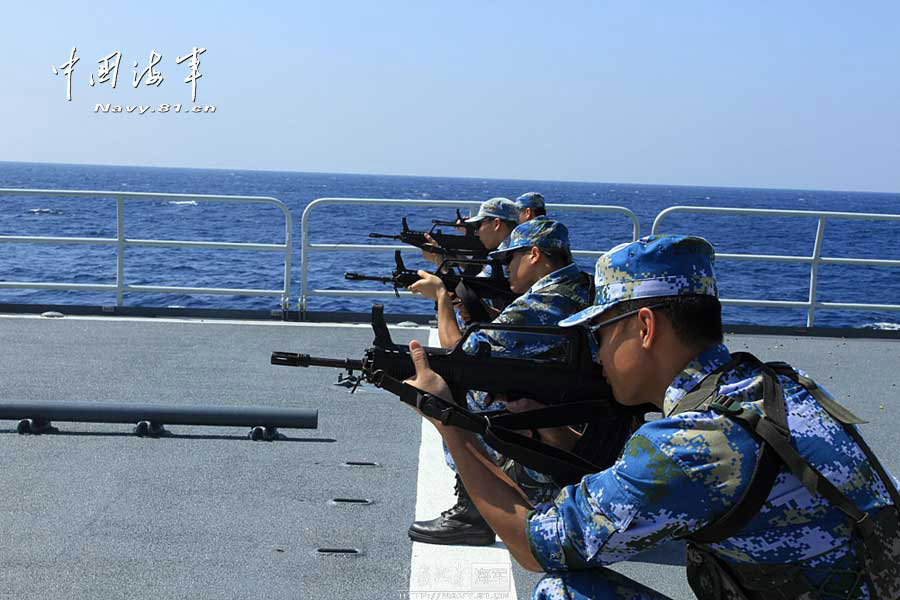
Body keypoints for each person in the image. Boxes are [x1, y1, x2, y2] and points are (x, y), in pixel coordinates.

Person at [402, 234, 900, 599]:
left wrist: (450, 421)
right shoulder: (769, 385)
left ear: (644, 327)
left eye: (600, 333)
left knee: (563, 593)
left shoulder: (694, 441)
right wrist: (562, 445)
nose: (596, 353)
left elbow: (537, 546)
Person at [406, 219, 615, 546]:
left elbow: (461, 350)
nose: (506, 269)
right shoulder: (581, 286)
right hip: (587, 428)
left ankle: (474, 511)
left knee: (453, 390)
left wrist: (441, 300)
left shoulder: (543, 302)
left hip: (561, 446)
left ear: (534, 255)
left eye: (509, 260)